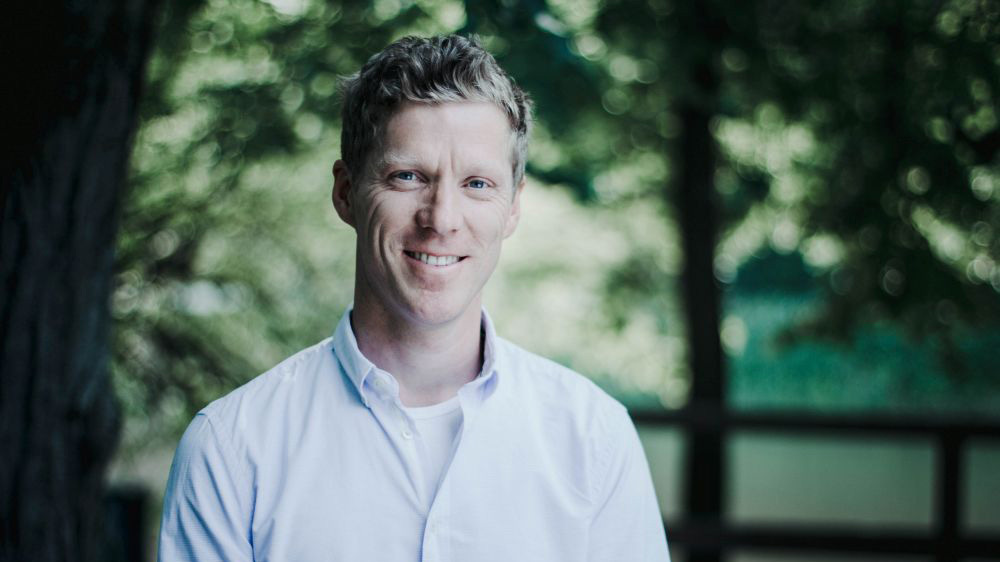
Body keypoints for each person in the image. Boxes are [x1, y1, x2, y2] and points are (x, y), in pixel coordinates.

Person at [157, 34, 670, 561]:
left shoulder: (594, 438)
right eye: (407, 177)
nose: (441, 219)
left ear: (513, 207)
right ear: (346, 192)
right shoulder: (232, 448)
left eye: (477, 184)